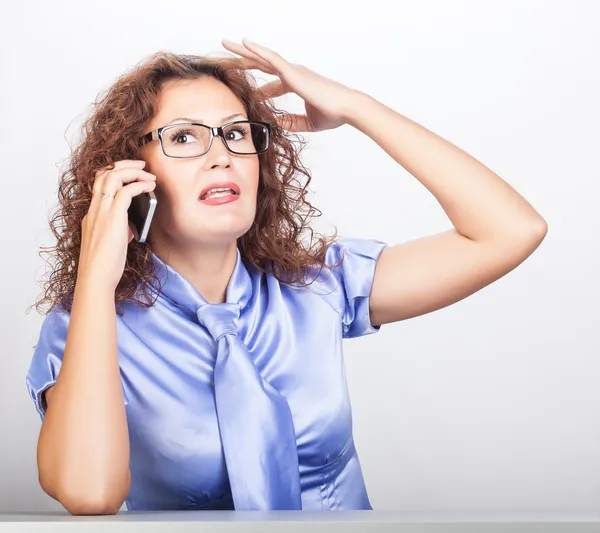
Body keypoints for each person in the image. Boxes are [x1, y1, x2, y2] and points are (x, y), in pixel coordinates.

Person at [25, 38, 548, 515]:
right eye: (183, 137)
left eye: (235, 134)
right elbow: (89, 494)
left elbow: (510, 231)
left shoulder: (318, 286)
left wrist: (355, 107)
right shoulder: (86, 326)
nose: (220, 157)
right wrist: (97, 276)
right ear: (130, 173)